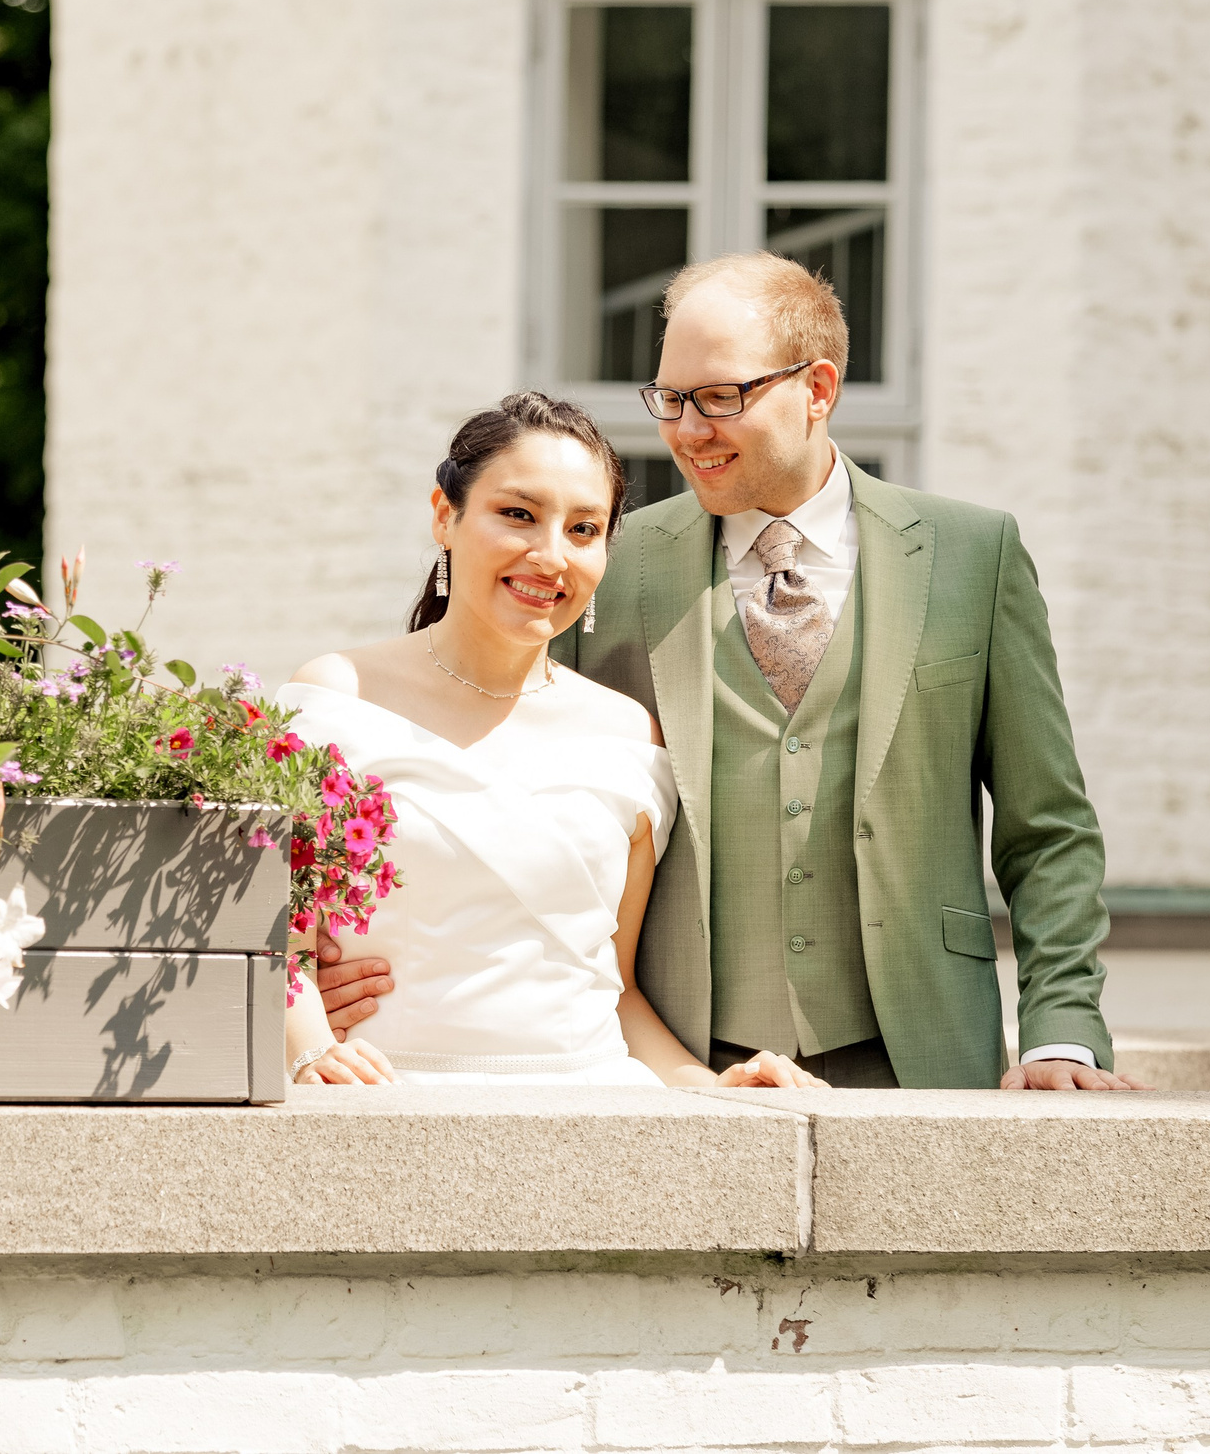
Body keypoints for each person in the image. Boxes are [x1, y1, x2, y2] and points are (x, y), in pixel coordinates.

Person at [315, 253, 1145, 1091]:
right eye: (670, 399)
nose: (686, 429)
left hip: (924, 1049)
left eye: (720, 398)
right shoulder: (607, 558)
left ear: (817, 388)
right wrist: (347, 954)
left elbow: (1049, 830)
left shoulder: (973, 556)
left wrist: (1060, 1034)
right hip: (680, 1062)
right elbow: (487, 769)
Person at [276, 392, 812, 1087]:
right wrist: (311, 1048)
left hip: (592, 1107)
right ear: (446, 515)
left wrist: (714, 1085)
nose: (551, 555)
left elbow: (612, 990)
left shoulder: (631, 736)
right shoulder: (335, 699)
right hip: (379, 1099)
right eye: (518, 515)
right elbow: (274, 944)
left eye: (584, 529)